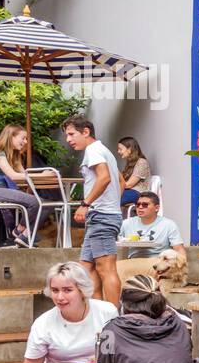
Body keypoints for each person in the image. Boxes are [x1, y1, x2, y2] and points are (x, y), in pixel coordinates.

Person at [63, 116, 123, 306]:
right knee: (86, 268)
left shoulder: (93, 150)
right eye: (66, 135)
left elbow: (104, 178)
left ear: (86, 132)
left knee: (106, 268)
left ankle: (113, 319)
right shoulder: (104, 151)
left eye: (72, 134)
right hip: (102, 215)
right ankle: (99, 313)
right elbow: (120, 182)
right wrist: (111, 204)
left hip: (101, 216)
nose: (68, 140)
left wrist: (86, 203)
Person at [0, 126, 42, 246]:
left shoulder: (12, 154)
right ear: (11, 137)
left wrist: (40, 175)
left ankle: (23, 234)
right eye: (23, 138)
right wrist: (42, 175)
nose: (26, 142)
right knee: (35, 202)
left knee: (44, 203)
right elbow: (13, 176)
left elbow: (24, 175)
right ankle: (20, 232)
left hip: (1, 189)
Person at [117, 192, 185, 281]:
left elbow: (179, 249)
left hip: (157, 261)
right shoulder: (126, 223)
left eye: (145, 205)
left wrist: (182, 269)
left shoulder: (168, 224)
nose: (140, 207)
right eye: (138, 205)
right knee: (113, 267)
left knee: (120, 267)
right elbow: (112, 239)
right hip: (134, 260)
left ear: (156, 208)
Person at [116, 136, 151, 212]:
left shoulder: (142, 162)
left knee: (112, 200)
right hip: (130, 192)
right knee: (109, 197)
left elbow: (128, 184)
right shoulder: (130, 164)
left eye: (120, 149)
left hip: (138, 193)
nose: (118, 151)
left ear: (129, 149)